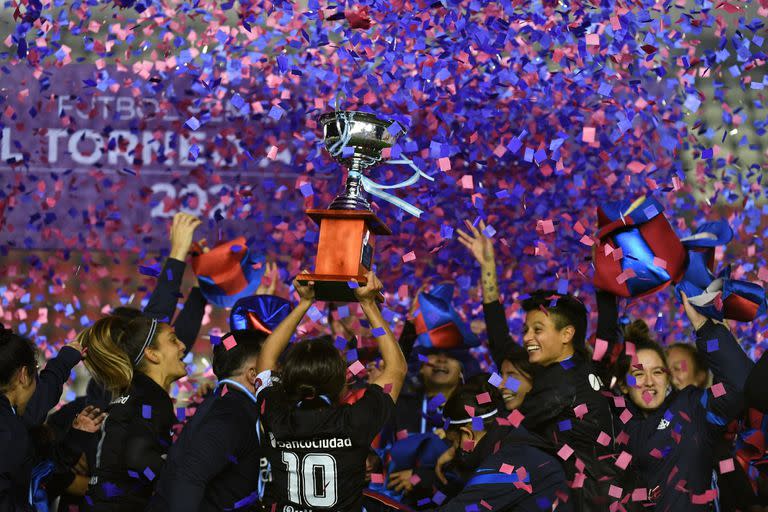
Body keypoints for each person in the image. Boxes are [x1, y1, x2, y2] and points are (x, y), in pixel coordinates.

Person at [458, 220, 625, 511]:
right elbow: (501, 347)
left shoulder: (562, 383)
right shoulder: (564, 370)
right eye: (525, 329)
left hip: (589, 502)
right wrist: (488, 268)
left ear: (566, 334)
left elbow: (509, 429)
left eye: (537, 329)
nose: (527, 337)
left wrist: (464, 456)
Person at [257, 270, 407, 511]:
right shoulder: (356, 420)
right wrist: (368, 303)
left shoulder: (275, 416)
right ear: (341, 384)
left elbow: (265, 359)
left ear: (286, 380)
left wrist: (304, 303)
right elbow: (397, 367)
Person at [601, 290, 754, 510]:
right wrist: (604, 291)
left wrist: (704, 327)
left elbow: (738, 384)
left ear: (668, 378)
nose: (649, 382)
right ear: (624, 386)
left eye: (658, 372)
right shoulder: (617, 426)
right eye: (638, 374)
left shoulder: (692, 405)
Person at [148, 329, 267, 511]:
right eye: (274, 362)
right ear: (253, 374)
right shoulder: (231, 414)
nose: (279, 371)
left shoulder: (226, 403)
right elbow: (189, 477)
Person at [78, 315, 188, 511]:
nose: (183, 346)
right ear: (152, 354)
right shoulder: (151, 396)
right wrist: (185, 482)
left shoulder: (135, 392)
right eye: (173, 340)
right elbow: (138, 459)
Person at [0, 324, 103, 511]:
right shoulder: (11, 432)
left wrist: (75, 439)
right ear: (23, 375)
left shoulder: (14, 421)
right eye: (36, 371)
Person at [430, 378, 572, 511]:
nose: (453, 451)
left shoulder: (507, 464)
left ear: (468, 435)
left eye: (453, 443)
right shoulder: (513, 440)